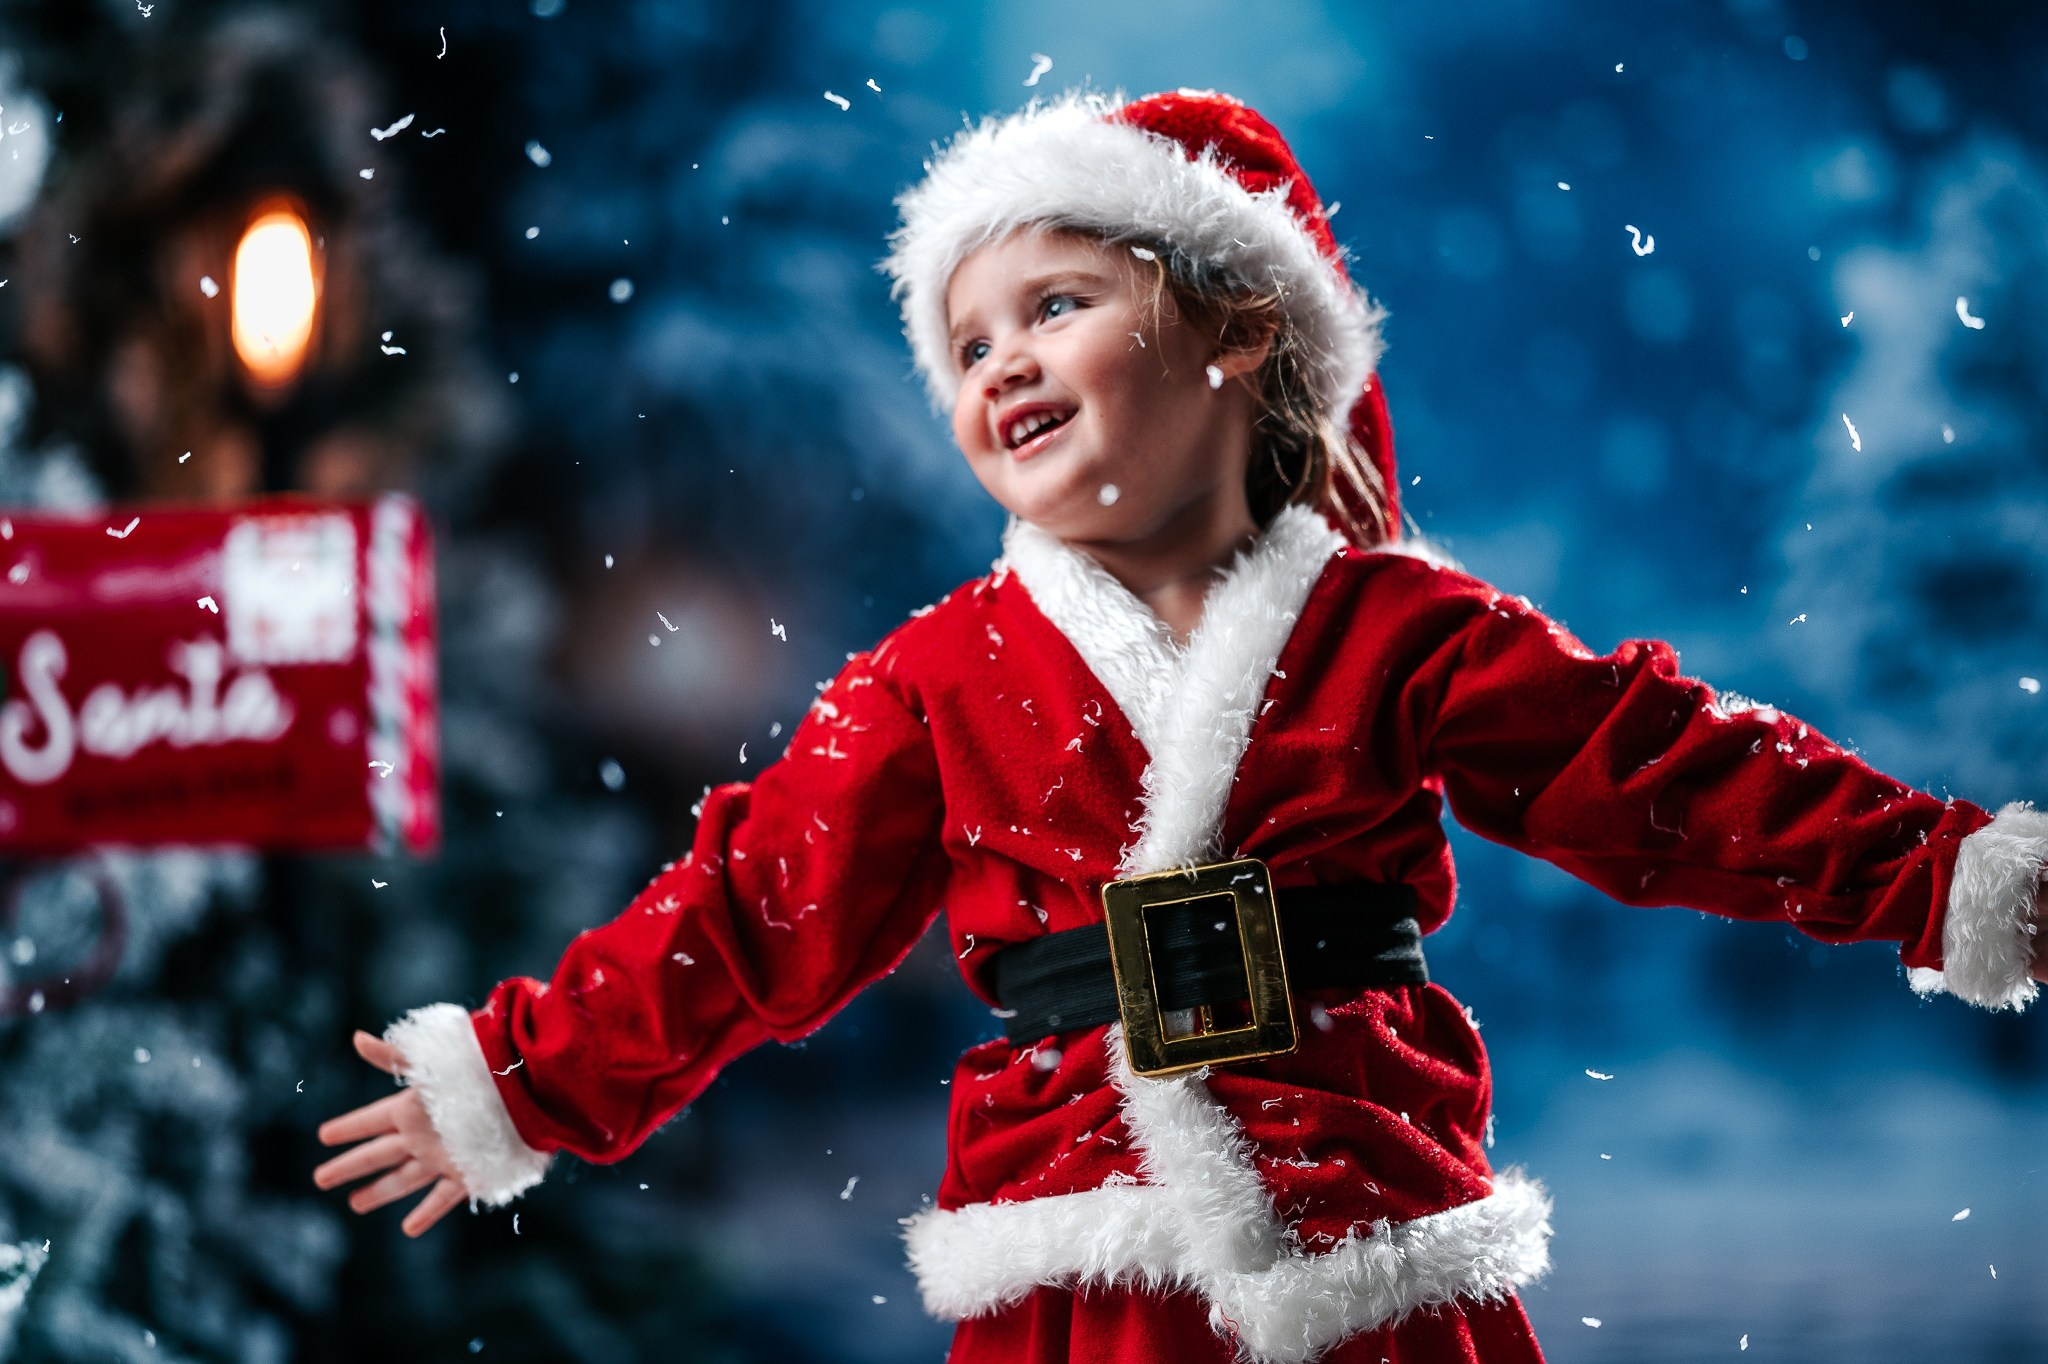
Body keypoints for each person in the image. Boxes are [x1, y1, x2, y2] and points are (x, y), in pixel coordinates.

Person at [313, 90, 2048, 1363]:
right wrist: (530, 1075)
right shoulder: (940, 675)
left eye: (1055, 304)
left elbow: (1660, 774)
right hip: (1074, 1260)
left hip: (1364, 1229)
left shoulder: (1393, 627)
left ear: (1236, 326)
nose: (999, 362)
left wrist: (1943, 877)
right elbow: (758, 906)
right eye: (967, 339)